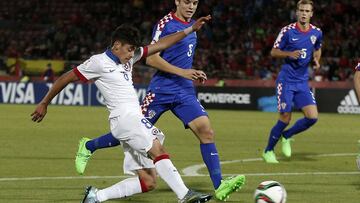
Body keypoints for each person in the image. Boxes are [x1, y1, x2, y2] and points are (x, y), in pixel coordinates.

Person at [75, 0, 245, 201]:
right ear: (177, 2)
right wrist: (183, 72)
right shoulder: (165, 24)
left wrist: (189, 73)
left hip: (183, 90)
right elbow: (151, 58)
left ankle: (220, 185)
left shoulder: (193, 27)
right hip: (161, 91)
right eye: (187, 2)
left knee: (206, 131)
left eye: (195, 3)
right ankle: (90, 146)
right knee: (126, 133)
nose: (191, 7)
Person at [31, 16, 213, 203]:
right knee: (157, 148)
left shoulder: (129, 58)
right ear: (117, 45)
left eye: (134, 50)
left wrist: (190, 30)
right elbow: (66, 78)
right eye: (129, 49)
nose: (131, 54)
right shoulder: (98, 62)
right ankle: (184, 195)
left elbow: (161, 45)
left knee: (148, 181)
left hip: (130, 120)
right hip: (125, 119)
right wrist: (45, 102)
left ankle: (96, 197)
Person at [262, 0, 323, 163]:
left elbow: (317, 48)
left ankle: (287, 135)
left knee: (312, 117)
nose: (304, 13)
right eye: (301, 10)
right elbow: (273, 52)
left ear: (312, 13)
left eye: (307, 11)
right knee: (285, 118)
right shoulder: (287, 31)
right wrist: (289, 54)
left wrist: (316, 61)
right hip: (286, 81)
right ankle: (268, 151)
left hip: (302, 82)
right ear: (296, 12)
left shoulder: (316, 32)